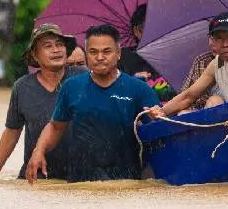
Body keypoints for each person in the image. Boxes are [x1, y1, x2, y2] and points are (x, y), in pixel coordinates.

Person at [25, 24, 160, 184]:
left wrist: (158, 117)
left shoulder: (139, 89)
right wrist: (39, 151)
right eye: (93, 52)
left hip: (126, 185)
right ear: (86, 55)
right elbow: (56, 127)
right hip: (79, 185)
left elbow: (157, 136)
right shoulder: (72, 87)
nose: (100, 57)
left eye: (107, 51)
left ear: (118, 53)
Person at [0, 24, 86, 180]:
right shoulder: (22, 87)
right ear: (35, 55)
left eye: (59, 44)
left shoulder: (85, 79)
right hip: (36, 177)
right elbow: (12, 132)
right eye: (48, 46)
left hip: (78, 177)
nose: (56, 49)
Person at [118, 3, 177, 102]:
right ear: (137, 31)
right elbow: (114, 97)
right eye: (153, 27)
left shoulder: (176, 57)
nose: (159, 32)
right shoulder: (121, 58)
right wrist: (130, 84)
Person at [178, 35, 220, 112]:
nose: (211, 43)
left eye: (218, 38)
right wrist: (161, 111)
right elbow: (186, 97)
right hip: (201, 111)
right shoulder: (202, 61)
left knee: (215, 101)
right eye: (211, 38)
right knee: (183, 113)